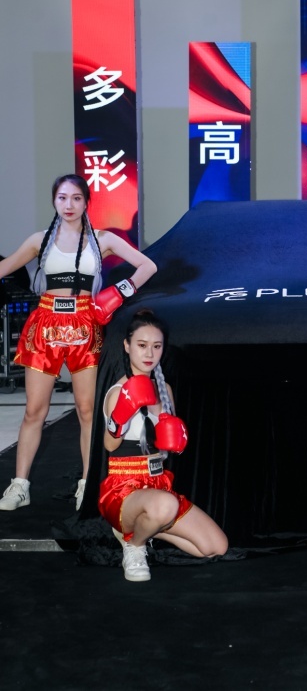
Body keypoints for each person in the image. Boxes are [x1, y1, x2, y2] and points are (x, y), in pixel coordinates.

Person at [0, 174, 157, 512]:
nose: (68, 205)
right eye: (62, 198)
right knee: (34, 410)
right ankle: (20, 485)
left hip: (86, 325)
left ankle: (87, 483)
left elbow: (148, 266)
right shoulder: (39, 240)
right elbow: (4, 267)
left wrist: (119, 291)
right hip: (45, 325)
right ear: (54, 201)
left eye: (75, 198)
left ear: (86, 202)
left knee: (87, 410)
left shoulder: (103, 239)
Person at [99, 309, 228, 581]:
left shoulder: (165, 390)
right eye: (142, 345)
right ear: (127, 345)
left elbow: (165, 451)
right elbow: (110, 445)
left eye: (156, 346)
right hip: (123, 490)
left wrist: (174, 440)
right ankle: (134, 546)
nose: (149, 353)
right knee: (165, 506)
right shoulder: (117, 392)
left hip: (158, 485)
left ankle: (148, 527)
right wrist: (118, 419)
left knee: (216, 547)